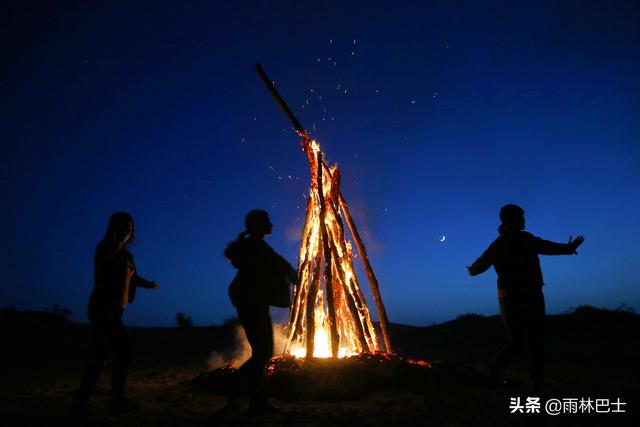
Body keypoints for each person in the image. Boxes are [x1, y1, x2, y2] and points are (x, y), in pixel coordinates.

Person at [466, 204, 584, 394]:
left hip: (507, 298)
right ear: (513, 219)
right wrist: (568, 248)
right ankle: (535, 386)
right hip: (528, 296)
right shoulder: (522, 239)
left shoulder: (498, 244)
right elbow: (545, 246)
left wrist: (472, 269)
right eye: (521, 216)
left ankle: (500, 368)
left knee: (518, 341)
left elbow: (479, 266)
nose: (524, 219)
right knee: (535, 341)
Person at [75, 212, 160, 411]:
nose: (124, 233)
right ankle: (115, 398)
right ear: (112, 229)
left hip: (116, 309)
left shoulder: (127, 255)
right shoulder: (105, 248)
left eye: (128, 230)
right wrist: (114, 244)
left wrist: (150, 285)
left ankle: (81, 401)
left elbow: (134, 278)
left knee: (99, 354)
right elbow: (103, 262)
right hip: (101, 308)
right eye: (120, 229)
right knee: (124, 348)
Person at [224, 209, 296, 413]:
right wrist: (292, 273)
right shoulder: (254, 246)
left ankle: (253, 398)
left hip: (257, 304)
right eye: (268, 222)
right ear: (258, 225)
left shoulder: (256, 245)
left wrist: (290, 273)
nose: (272, 225)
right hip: (251, 304)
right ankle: (239, 390)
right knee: (263, 352)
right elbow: (277, 262)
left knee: (264, 352)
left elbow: (276, 263)